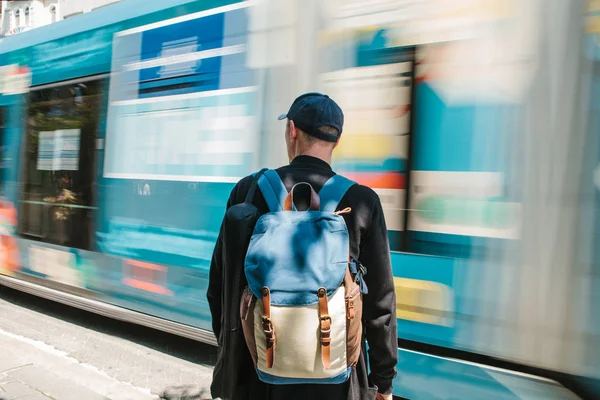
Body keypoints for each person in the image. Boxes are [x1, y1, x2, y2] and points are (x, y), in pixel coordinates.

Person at [207, 92, 398, 400]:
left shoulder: (248, 191)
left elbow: (219, 287)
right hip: (338, 380)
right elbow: (380, 304)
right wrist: (383, 381)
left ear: (292, 130)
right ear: (336, 140)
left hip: (259, 376)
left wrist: (233, 355)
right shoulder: (362, 202)